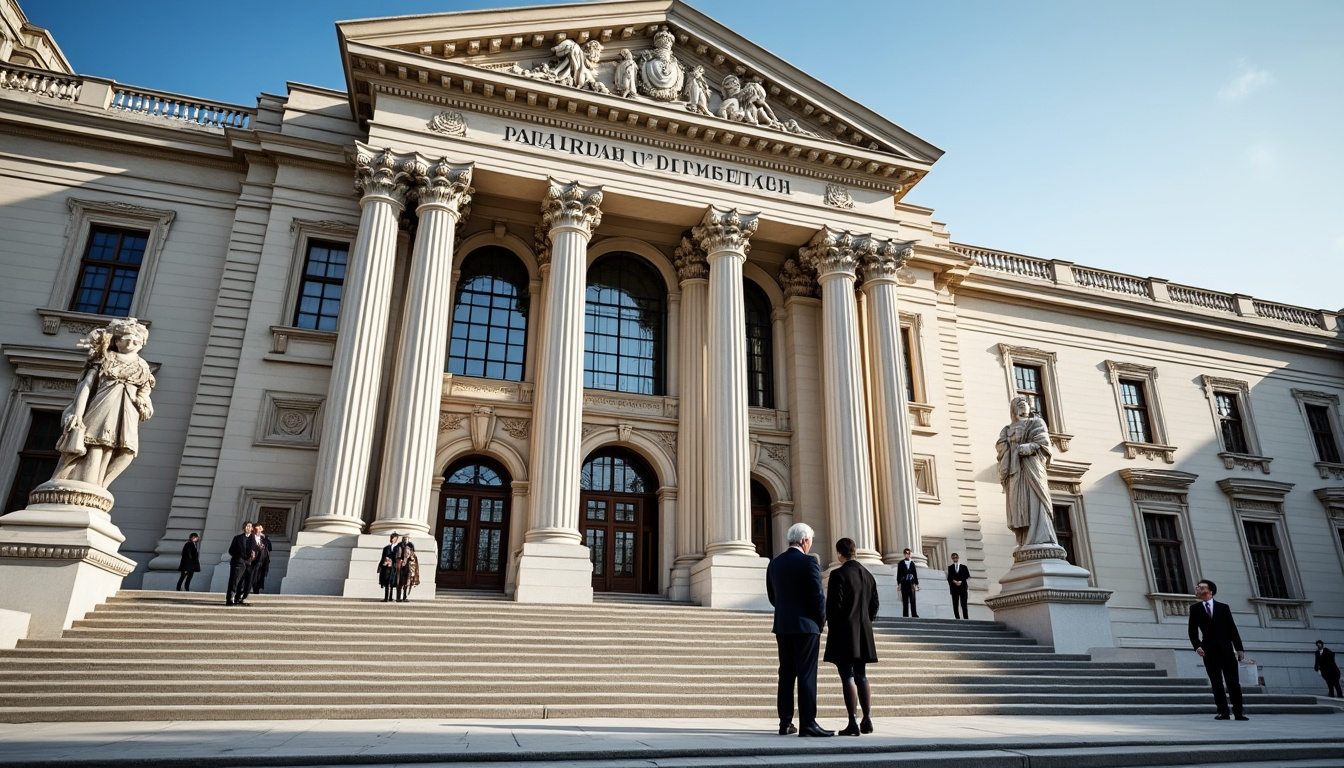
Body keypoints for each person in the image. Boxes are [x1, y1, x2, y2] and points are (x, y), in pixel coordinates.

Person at [52, 317, 155, 489]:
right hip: (103, 405)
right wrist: (78, 413)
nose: (131, 342)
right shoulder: (106, 357)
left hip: (127, 412)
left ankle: (101, 486)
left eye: (136, 339)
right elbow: (86, 386)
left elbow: (144, 393)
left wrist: (144, 404)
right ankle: (78, 482)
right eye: (126, 338)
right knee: (94, 444)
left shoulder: (143, 367)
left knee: (126, 451)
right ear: (117, 340)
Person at [765, 522, 832, 737]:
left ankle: (785, 723)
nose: (810, 544)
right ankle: (808, 723)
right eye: (810, 540)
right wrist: (820, 622)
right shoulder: (809, 562)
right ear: (804, 540)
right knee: (806, 674)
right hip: (806, 626)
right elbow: (817, 597)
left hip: (783, 626)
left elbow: (773, 597)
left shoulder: (775, 563)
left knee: (786, 674)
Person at [824, 538, 879, 736]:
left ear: (840, 554)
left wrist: (832, 626)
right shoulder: (868, 575)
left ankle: (852, 721)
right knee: (861, 675)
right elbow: (874, 605)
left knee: (847, 675)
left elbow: (834, 606)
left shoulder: (838, 574)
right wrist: (865, 621)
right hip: (864, 631)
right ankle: (867, 718)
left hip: (844, 631)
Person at [996, 396, 1060, 549]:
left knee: (1036, 499)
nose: (1023, 406)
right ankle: (1025, 539)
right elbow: (1001, 449)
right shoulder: (1006, 430)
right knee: (1018, 504)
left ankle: (1042, 537)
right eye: (1019, 404)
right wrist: (1007, 447)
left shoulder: (1036, 422)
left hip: (1032, 467)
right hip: (1015, 471)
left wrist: (1029, 447)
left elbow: (1043, 442)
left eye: (1025, 404)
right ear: (1013, 408)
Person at [1188, 579, 1247, 720]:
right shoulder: (1195, 609)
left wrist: (1239, 648)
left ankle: (1238, 712)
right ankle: (1223, 711)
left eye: (1201, 587)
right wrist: (1197, 647)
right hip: (1209, 651)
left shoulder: (1223, 608)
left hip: (1226, 650)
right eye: (1197, 587)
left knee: (1233, 682)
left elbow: (1232, 629)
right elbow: (1192, 631)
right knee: (1216, 682)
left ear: (1210, 591)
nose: (1197, 589)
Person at [226, 521, 258, 606]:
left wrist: (253, 555)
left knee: (244, 581)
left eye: (250, 526)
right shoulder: (238, 538)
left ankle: (239, 597)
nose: (248, 528)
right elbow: (231, 550)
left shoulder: (253, 538)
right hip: (238, 561)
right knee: (235, 580)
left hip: (248, 562)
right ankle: (230, 598)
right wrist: (239, 556)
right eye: (247, 526)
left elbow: (255, 549)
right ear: (244, 528)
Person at [395, 534, 419, 602]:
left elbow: (413, 556)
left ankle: (405, 597)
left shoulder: (411, 545)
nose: (405, 539)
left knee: (407, 582)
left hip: (408, 566)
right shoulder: (399, 545)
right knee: (399, 581)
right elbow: (397, 554)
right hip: (400, 566)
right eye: (404, 538)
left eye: (406, 538)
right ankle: (398, 597)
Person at [896, 548, 919, 618]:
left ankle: (914, 613)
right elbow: (899, 574)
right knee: (905, 599)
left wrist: (916, 584)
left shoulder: (912, 563)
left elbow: (915, 574)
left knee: (913, 599)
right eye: (906, 553)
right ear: (904, 554)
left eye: (908, 553)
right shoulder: (901, 563)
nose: (907, 554)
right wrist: (899, 583)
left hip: (911, 583)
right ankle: (905, 614)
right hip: (904, 583)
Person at [250, 524, 273, 594]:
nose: (260, 530)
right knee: (251, 576)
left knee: (259, 577)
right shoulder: (250, 538)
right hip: (253, 561)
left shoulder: (264, 540)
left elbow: (268, 549)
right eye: (258, 528)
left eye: (261, 528)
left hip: (262, 561)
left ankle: (256, 589)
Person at [947, 552, 969, 619]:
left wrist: (961, 581)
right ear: (952, 558)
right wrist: (954, 581)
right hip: (954, 588)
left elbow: (967, 575)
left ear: (958, 558)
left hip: (962, 587)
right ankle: (957, 617)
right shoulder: (950, 567)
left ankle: (965, 617)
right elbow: (949, 577)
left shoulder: (964, 567)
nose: (955, 559)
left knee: (964, 603)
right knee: (955, 603)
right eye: (953, 558)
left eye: (956, 557)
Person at [379, 532, 400, 603]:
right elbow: (382, 557)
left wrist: (393, 561)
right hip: (387, 567)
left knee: (392, 582)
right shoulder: (386, 548)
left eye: (393, 538)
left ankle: (391, 597)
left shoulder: (399, 548)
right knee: (386, 581)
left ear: (396, 539)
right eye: (391, 538)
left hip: (394, 567)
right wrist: (381, 565)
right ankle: (386, 597)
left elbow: (400, 558)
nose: (391, 539)